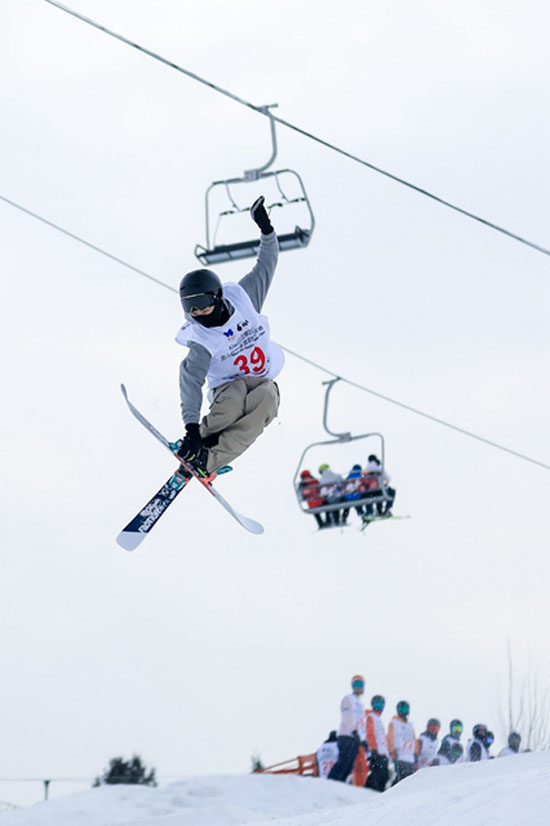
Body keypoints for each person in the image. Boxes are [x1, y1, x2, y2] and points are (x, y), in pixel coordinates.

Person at [175, 196, 283, 477]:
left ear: (218, 297)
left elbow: (267, 263)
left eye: (202, 304)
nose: (198, 313)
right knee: (234, 401)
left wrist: (266, 229)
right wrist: (190, 428)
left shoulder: (244, 297)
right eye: (190, 308)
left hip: (261, 378)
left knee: (266, 399)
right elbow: (190, 380)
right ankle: (197, 443)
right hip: (227, 386)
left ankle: (209, 462)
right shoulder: (201, 337)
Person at [328, 675, 366, 782]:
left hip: (355, 738)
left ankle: (340, 783)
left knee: (349, 765)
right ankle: (331, 781)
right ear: (352, 686)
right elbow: (347, 716)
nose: (358, 687)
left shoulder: (360, 703)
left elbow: (362, 722)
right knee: (344, 761)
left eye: (360, 684)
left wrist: (363, 738)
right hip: (346, 735)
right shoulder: (348, 698)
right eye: (356, 684)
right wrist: (354, 731)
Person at [365, 694, 391, 792]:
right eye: (377, 703)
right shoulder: (371, 716)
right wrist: (373, 749)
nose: (379, 707)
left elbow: (383, 738)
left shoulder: (378, 719)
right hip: (377, 752)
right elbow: (370, 733)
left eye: (381, 704)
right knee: (379, 777)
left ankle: (372, 791)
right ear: (372, 704)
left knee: (385, 777)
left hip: (383, 753)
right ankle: (371, 793)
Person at [388, 701, 417, 783]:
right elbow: (390, 737)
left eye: (406, 709)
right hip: (400, 756)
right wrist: (391, 751)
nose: (404, 711)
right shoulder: (394, 723)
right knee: (399, 780)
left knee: (408, 781)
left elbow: (414, 739)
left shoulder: (410, 725)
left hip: (410, 758)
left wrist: (416, 753)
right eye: (402, 709)